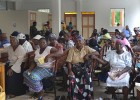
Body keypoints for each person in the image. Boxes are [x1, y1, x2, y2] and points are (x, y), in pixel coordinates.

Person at [66, 35, 99, 100]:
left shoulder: (86, 48)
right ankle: (74, 97)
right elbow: (69, 62)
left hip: (84, 68)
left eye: (80, 41)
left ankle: (87, 96)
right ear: (75, 42)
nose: (78, 42)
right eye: (77, 41)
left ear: (83, 42)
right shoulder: (72, 49)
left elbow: (97, 53)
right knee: (71, 79)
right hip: (74, 69)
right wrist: (70, 70)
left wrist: (88, 54)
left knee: (87, 78)